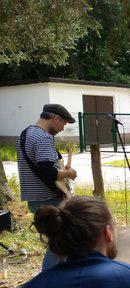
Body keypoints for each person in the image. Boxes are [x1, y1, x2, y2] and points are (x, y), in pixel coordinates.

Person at [16, 104, 77, 270]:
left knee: (56, 240)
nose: (63, 127)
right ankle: (48, 277)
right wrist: (69, 173)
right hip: (48, 198)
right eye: (63, 123)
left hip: (34, 198)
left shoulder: (25, 134)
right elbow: (48, 173)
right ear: (55, 119)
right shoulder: (43, 137)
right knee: (60, 241)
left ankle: (59, 275)